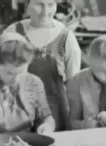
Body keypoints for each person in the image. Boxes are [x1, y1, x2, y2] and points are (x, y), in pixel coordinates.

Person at [5, 0, 82, 131]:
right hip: (20, 113)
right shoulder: (13, 33)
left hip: (55, 114)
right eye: (39, 4)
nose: (46, 12)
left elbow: (73, 85)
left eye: (51, 5)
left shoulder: (66, 38)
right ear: (27, 5)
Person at [0, 33, 56, 134]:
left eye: (21, 72)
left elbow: (46, 117)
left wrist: (47, 126)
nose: (15, 79)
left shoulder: (34, 82)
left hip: (27, 143)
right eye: (9, 73)